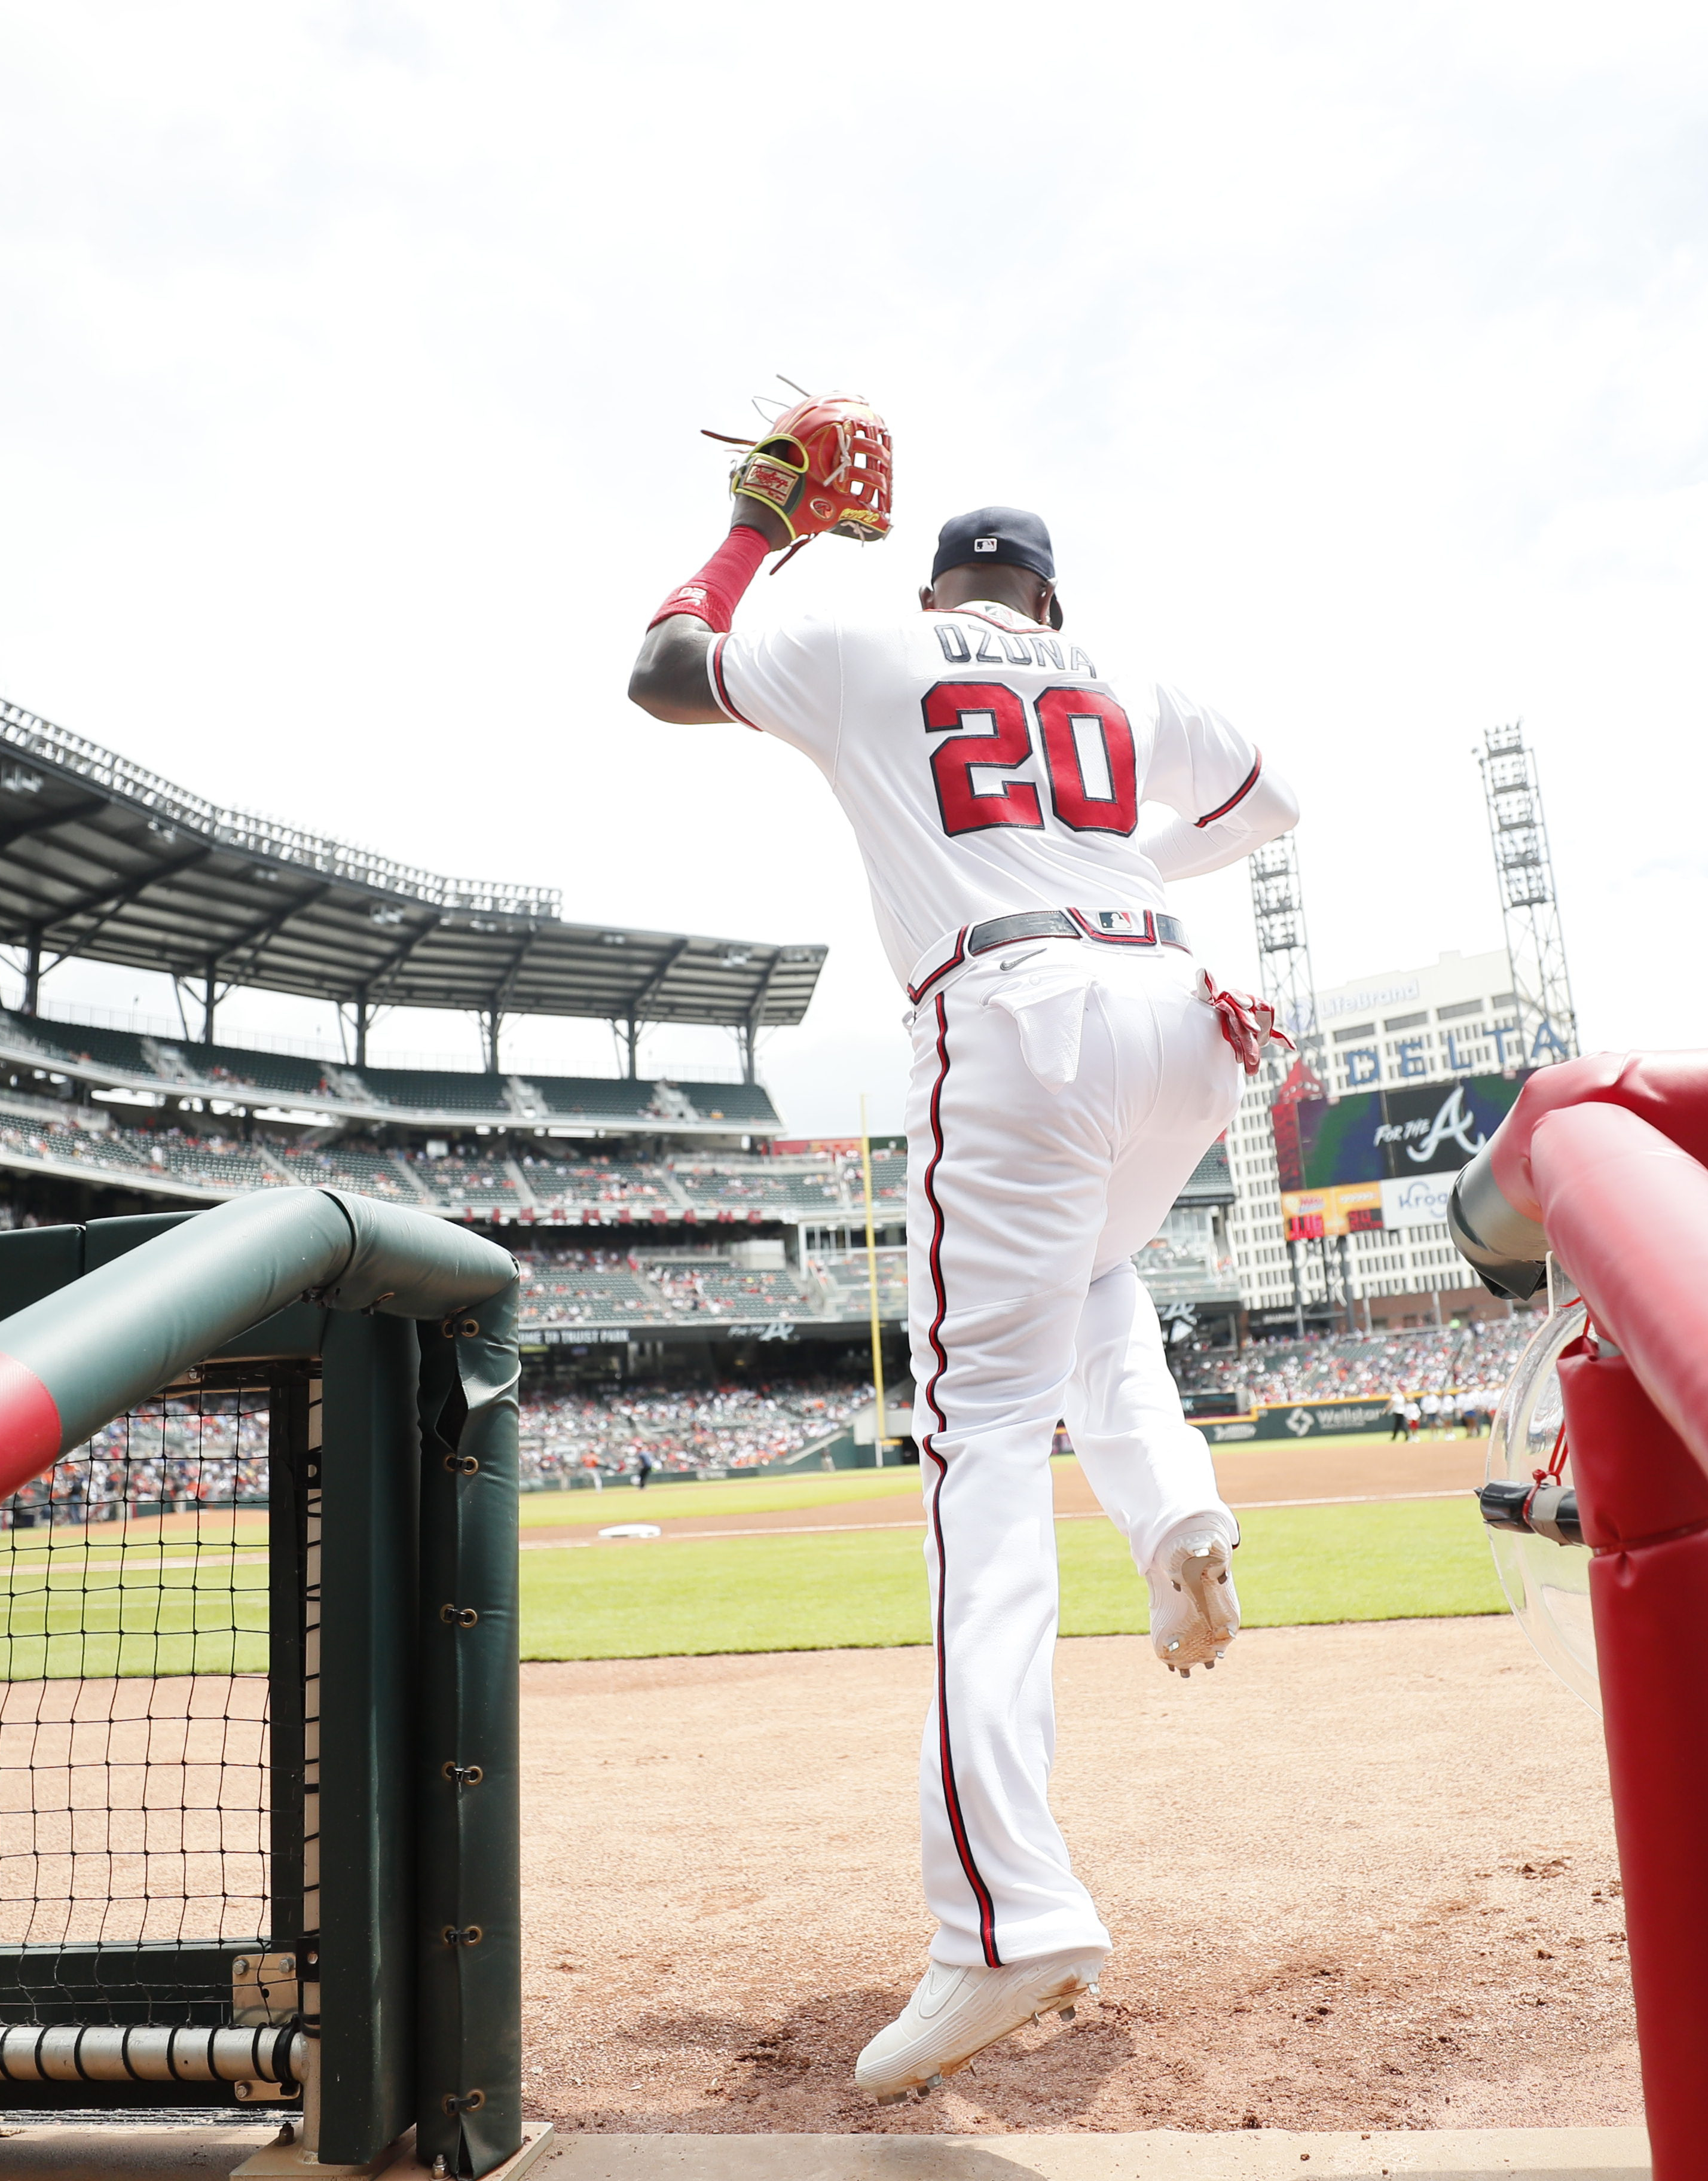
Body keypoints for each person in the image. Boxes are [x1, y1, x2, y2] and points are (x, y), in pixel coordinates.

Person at [628, 397, 1301, 2102]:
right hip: (1183, 1016)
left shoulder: (869, 634)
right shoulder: (1123, 681)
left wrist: (764, 526)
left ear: (941, 581)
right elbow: (1274, 800)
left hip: (1021, 1012)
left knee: (980, 1452)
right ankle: (1179, 1514)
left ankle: (1005, 1917)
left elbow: (662, 667)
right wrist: (1105, 855)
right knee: (1089, 1279)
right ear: (1049, 604)